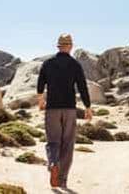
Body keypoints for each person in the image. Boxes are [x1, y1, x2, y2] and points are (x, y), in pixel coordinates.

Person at [37, 33, 92, 189]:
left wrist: (41, 101)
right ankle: (62, 180)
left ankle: (53, 163)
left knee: (53, 141)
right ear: (70, 46)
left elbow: (40, 84)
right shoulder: (75, 65)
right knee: (67, 144)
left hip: (52, 109)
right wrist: (88, 107)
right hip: (69, 109)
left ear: (58, 46)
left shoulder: (48, 63)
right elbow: (82, 87)